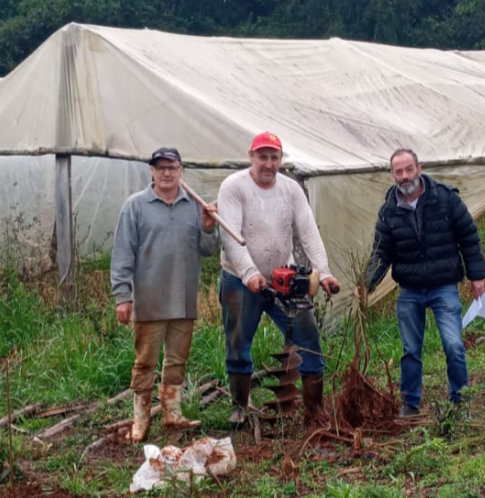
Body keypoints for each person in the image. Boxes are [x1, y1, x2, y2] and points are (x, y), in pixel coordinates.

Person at [217, 131, 340, 425]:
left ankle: (314, 411)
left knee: (307, 337)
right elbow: (230, 236)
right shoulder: (234, 187)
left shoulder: (291, 189)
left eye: (274, 157)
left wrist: (323, 272)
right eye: (263, 157)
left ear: (280, 160)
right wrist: (249, 273)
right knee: (237, 341)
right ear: (251, 157)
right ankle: (240, 407)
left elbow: (308, 232)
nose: (268, 164)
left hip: (282, 278)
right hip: (240, 279)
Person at [362, 148, 485, 417]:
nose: (405, 176)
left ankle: (460, 399)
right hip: (410, 289)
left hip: (444, 286)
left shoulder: (444, 198)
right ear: (392, 175)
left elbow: (469, 237)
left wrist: (477, 276)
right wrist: (365, 284)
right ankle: (411, 402)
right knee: (410, 350)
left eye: (409, 169)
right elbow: (381, 252)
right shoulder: (389, 211)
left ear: (419, 169)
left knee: (453, 344)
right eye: (399, 171)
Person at [111, 147, 220, 442]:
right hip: (149, 301)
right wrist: (123, 296)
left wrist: (209, 227)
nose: (167, 173)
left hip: (183, 300)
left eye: (172, 167)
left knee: (177, 360)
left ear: (181, 170)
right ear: (151, 171)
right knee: (144, 362)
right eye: (161, 168)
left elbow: (209, 251)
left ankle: (172, 413)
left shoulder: (193, 207)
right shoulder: (135, 206)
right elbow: (122, 254)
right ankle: (140, 419)